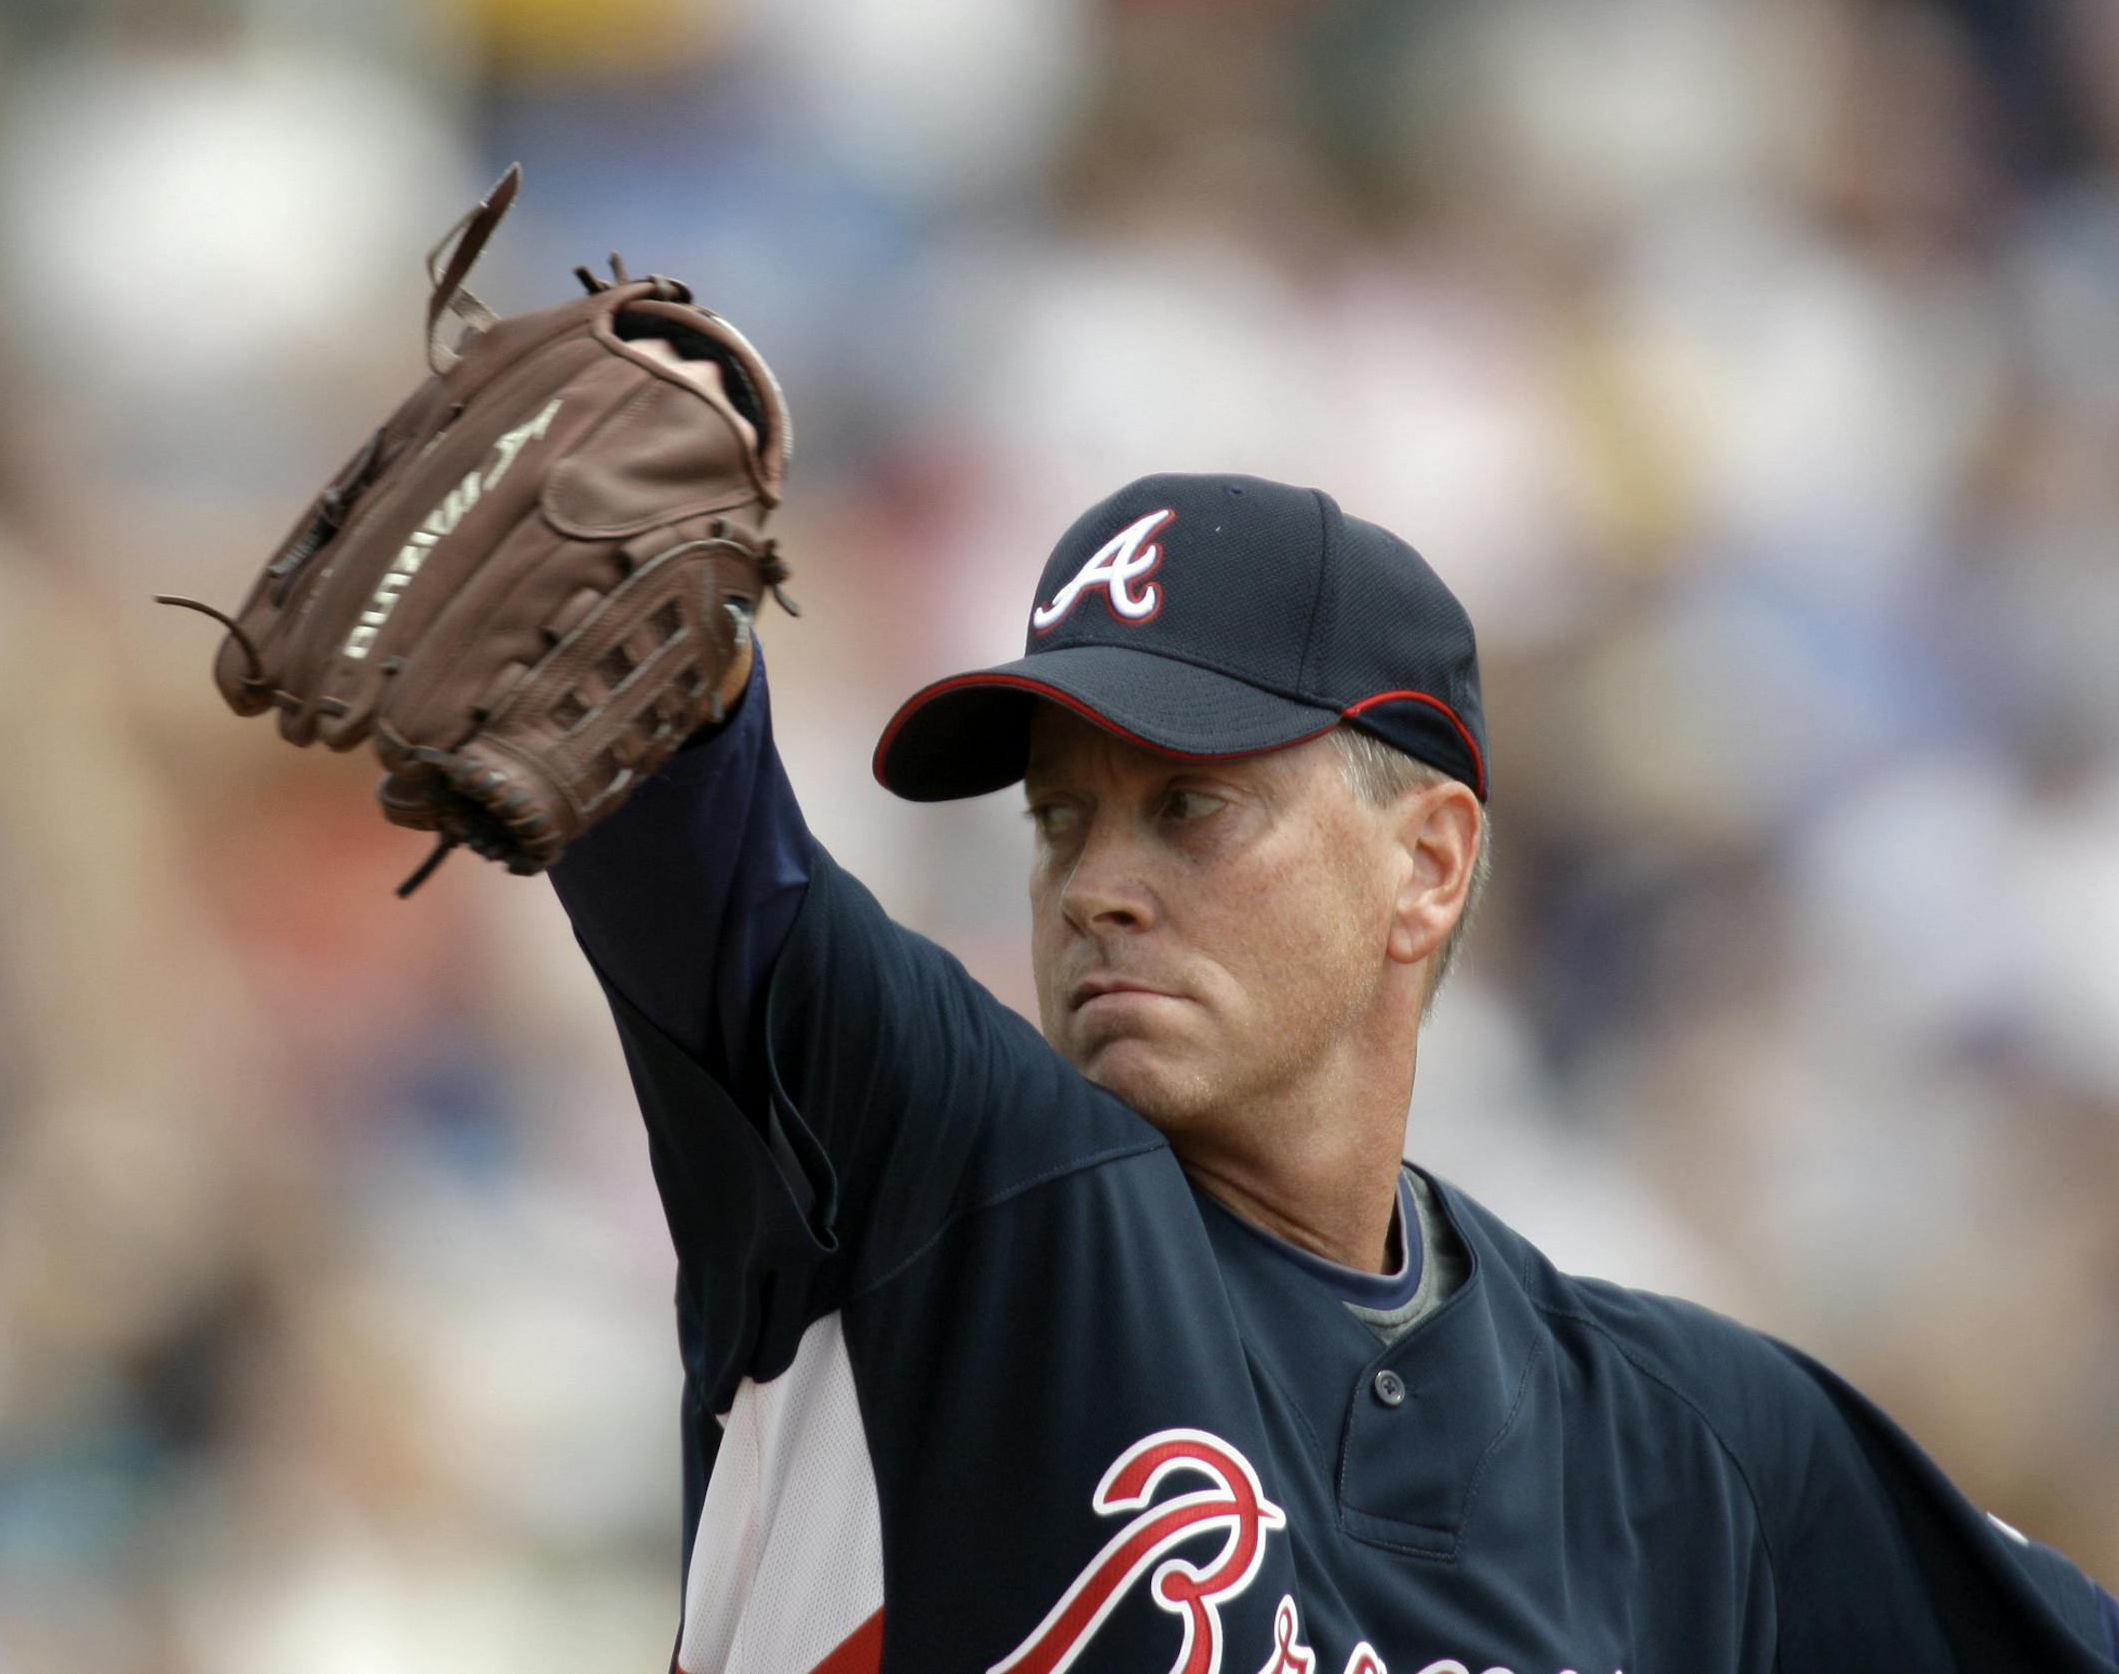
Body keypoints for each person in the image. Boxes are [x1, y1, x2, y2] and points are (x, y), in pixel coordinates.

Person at [549, 461, 2119, 1674]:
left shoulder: (1690, 1444)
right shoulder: (948, 1189)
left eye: (1188, 807)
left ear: (1427, 866)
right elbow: (728, 887)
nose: (1096, 879)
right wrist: (623, 619)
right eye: (1060, 819)